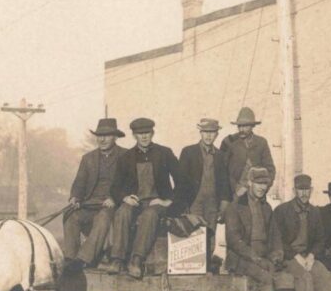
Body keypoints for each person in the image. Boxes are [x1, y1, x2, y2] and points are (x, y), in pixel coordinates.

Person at [224, 167, 293, 291]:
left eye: (265, 184)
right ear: (249, 183)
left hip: (264, 258)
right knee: (266, 279)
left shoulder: (266, 208)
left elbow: (275, 237)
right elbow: (233, 240)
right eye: (259, 183)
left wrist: (277, 256)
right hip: (242, 259)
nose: (263, 188)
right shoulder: (235, 207)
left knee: (286, 277)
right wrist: (255, 258)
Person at [103, 118, 181, 279]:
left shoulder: (164, 153)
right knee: (123, 212)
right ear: (134, 136)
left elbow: (183, 181)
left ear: (152, 133)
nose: (144, 137)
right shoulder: (126, 157)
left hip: (156, 203)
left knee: (149, 215)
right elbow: (115, 187)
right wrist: (125, 198)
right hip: (136, 203)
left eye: (147, 133)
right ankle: (117, 259)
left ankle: (136, 260)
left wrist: (168, 201)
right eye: (140, 134)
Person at [270, 174, 331, 291]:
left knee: (325, 276)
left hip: (309, 258)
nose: (304, 194)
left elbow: (320, 239)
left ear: (311, 190)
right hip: (289, 258)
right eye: (300, 190)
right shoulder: (282, 211)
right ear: (294, 191)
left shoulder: (315, 212)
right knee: (304, 278)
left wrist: (312, 255)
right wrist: (296, 257)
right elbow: (277, 240)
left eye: (307, 190)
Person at [63, 118, 126, 270]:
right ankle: (70, 258)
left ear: (115, 137)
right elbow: (79, 182)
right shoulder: (88, 158)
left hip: (112, 204)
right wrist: (75, 198)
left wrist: (115, 198)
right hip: (89, 203)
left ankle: (84, 259)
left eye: (107, 135)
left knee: (103, 217)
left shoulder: (126, 156)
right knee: (70, 215)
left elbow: (130, 184)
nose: (102, 139)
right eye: (99, 136)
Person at [175, 118, 232, 272]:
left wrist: (224, 205)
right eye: (206, 132)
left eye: (212, 133)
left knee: (210, 235)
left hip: (212, 203)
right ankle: (193, 271)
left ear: (217, 134)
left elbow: (225, 182)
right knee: (194, 235)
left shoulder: (221, 155)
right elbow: (181, 181)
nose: (208, 136)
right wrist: (183, 205)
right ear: (200, 132)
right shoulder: (189, 152)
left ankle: (206, 269)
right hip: (194, 201)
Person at [220, 106, 276, 198]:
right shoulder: (229, 142)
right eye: (239, 126)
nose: (241, 129)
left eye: (245, 126)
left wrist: (263, 188)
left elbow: (270, 170)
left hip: (256, 195)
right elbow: (221, 170)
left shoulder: (261, 143)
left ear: (252, 126)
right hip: (233, 194)